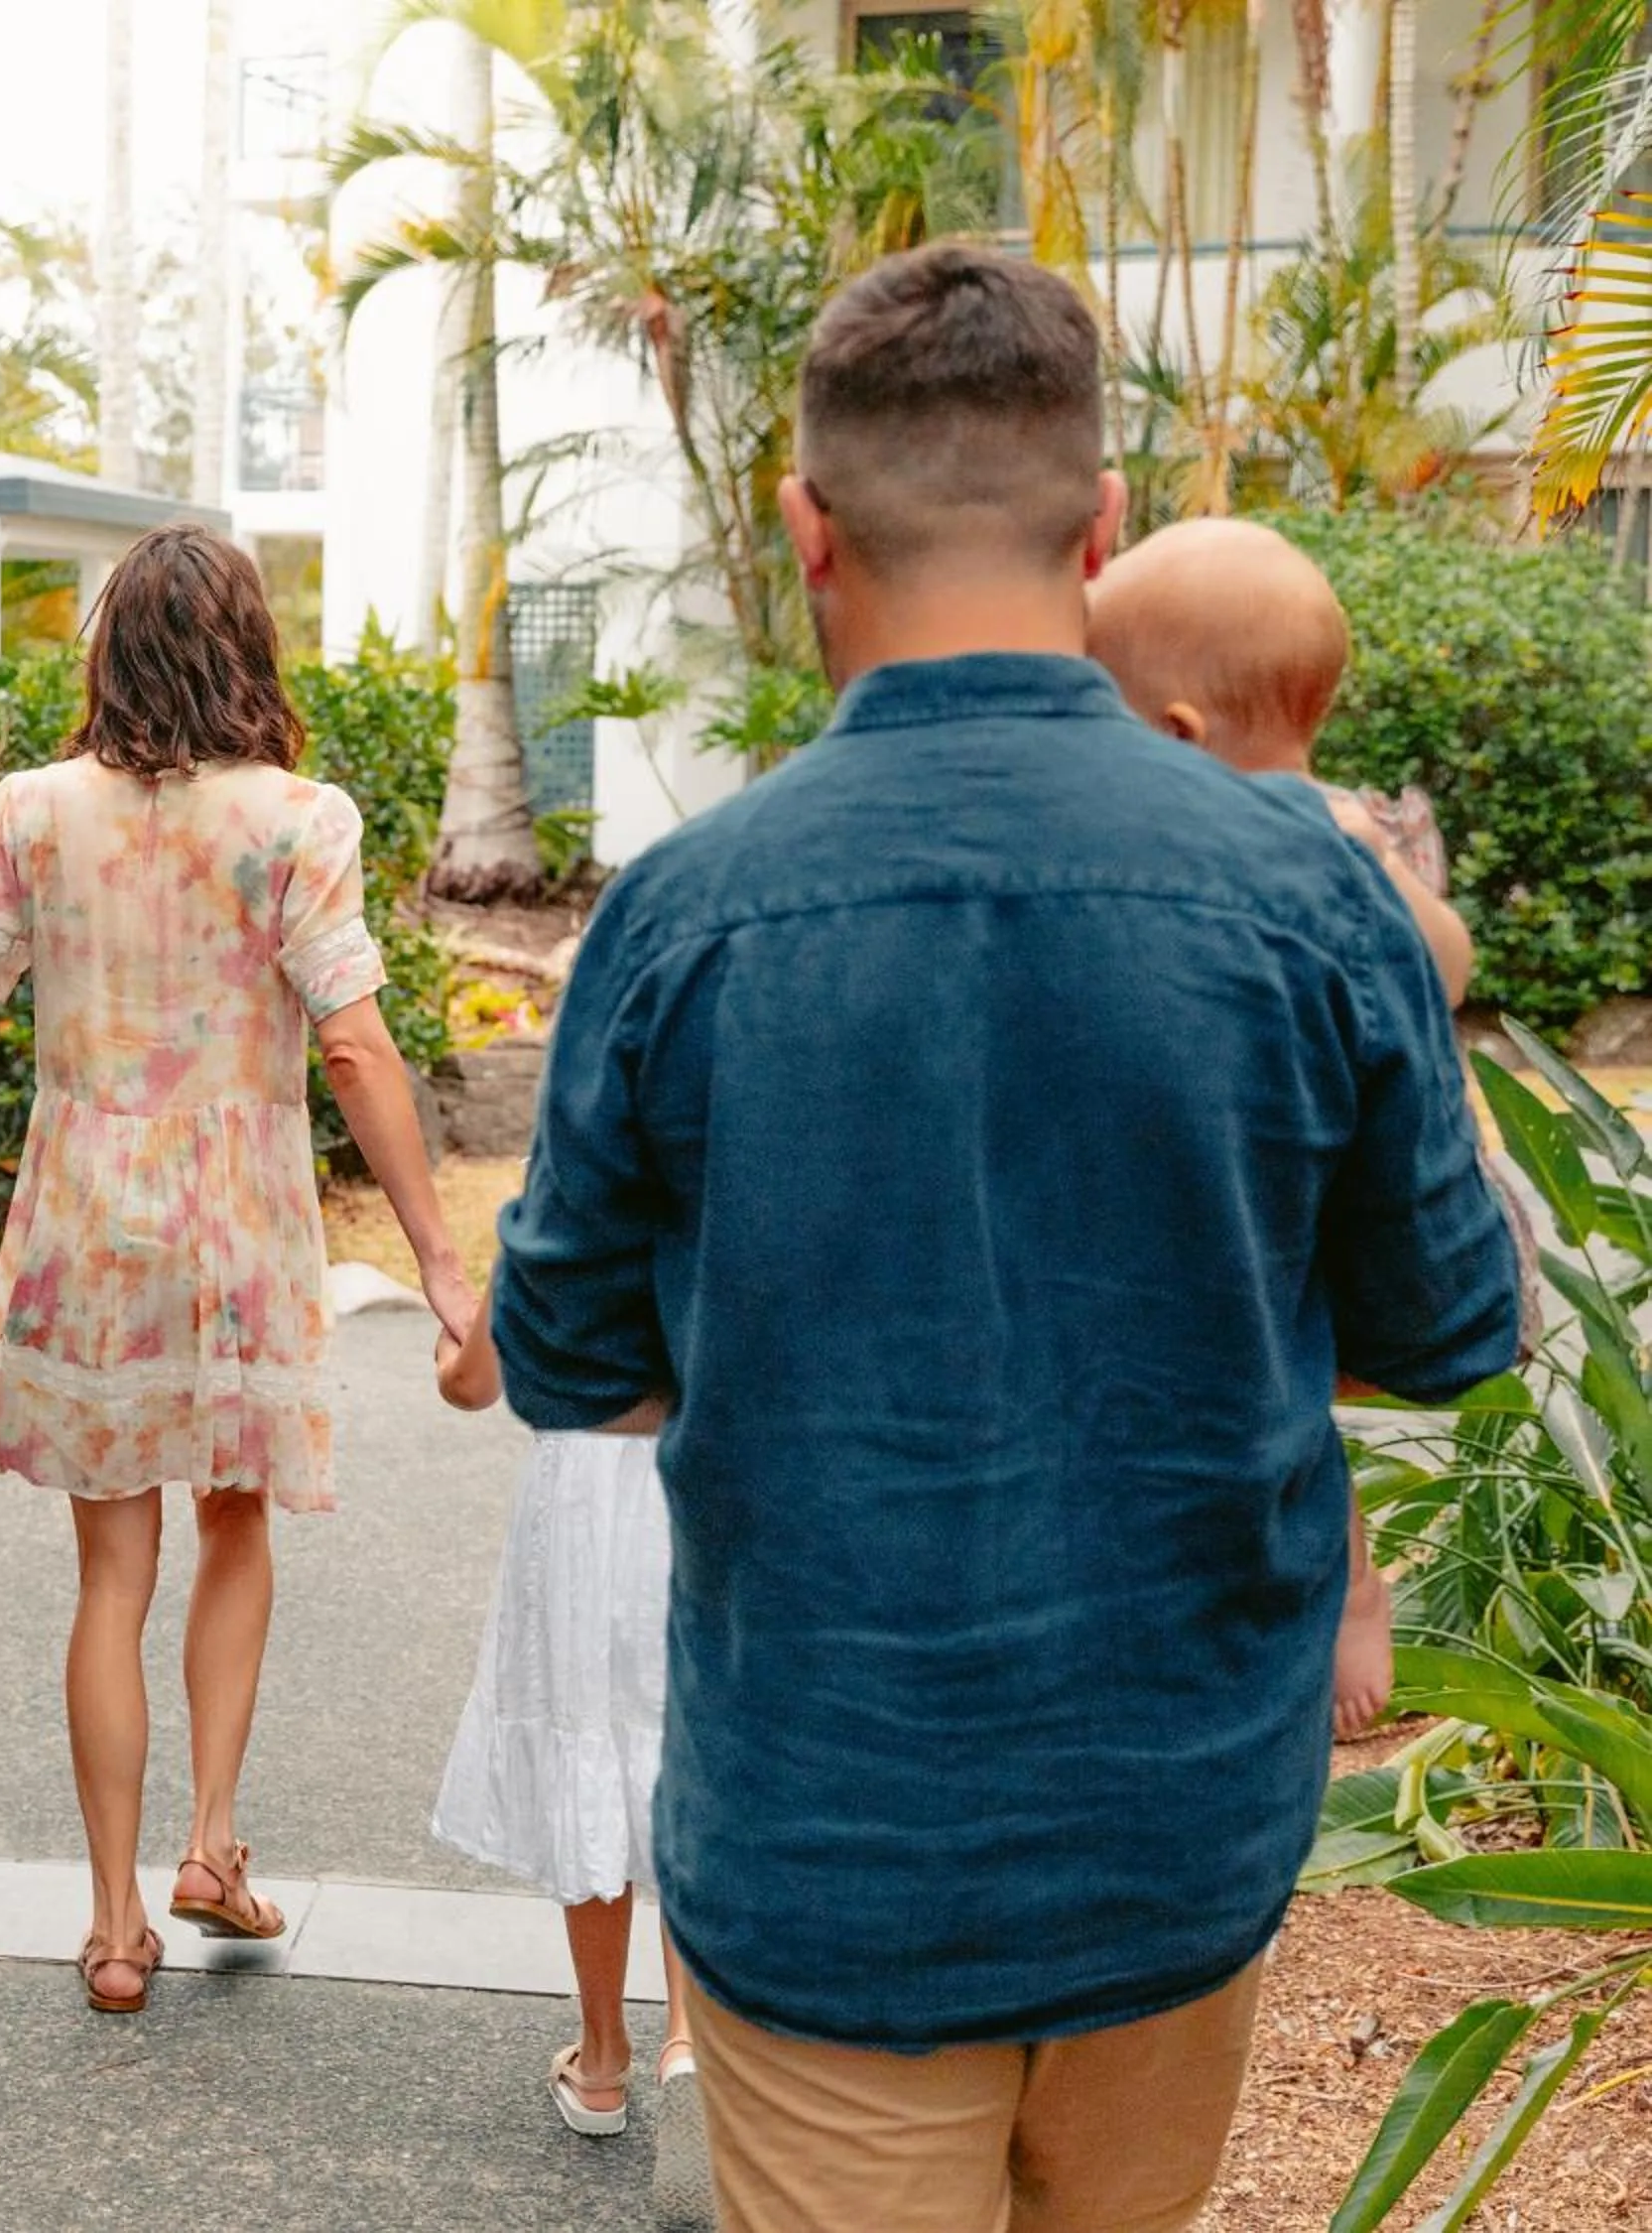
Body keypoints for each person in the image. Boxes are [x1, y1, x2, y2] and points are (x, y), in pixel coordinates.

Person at [492, 243, 1520, 2233]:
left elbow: (564, 1359)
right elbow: (1450, 1321)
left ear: (806, 527)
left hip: (826, 1842)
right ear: (1102, 522)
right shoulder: (1312, 908)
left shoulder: (683, 917)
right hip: (1173, 1835)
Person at [0, 523, 470, 2017]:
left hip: (83, 1221)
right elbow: (355, 1041)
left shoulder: (33, 812)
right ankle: (212, 1842)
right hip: (241, 1223)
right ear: (248, 647)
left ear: (112, 646)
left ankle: (115, 1922)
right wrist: (445, 1259)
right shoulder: (300, 818)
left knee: (108, 1571)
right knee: (235, 1525)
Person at [1090, 515, 1523, 1743]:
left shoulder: (1329, 841)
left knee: (1288, 1368)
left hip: (1362, 1172)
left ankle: (1357, 1585)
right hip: (1292, 1179)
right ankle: (1342, 1579)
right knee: (1283, 1376)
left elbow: (1444, 960)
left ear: (1175, 735)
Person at [431, 1275, 714, 2226]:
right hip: (700, 1476)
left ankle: (602, 2063)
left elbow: (474, 1382)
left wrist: (451, 1351)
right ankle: (691, 2045)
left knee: (585, 1739)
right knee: (686, 1751)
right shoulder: (743, 1169)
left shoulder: (574, 1178)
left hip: (586, 1487)